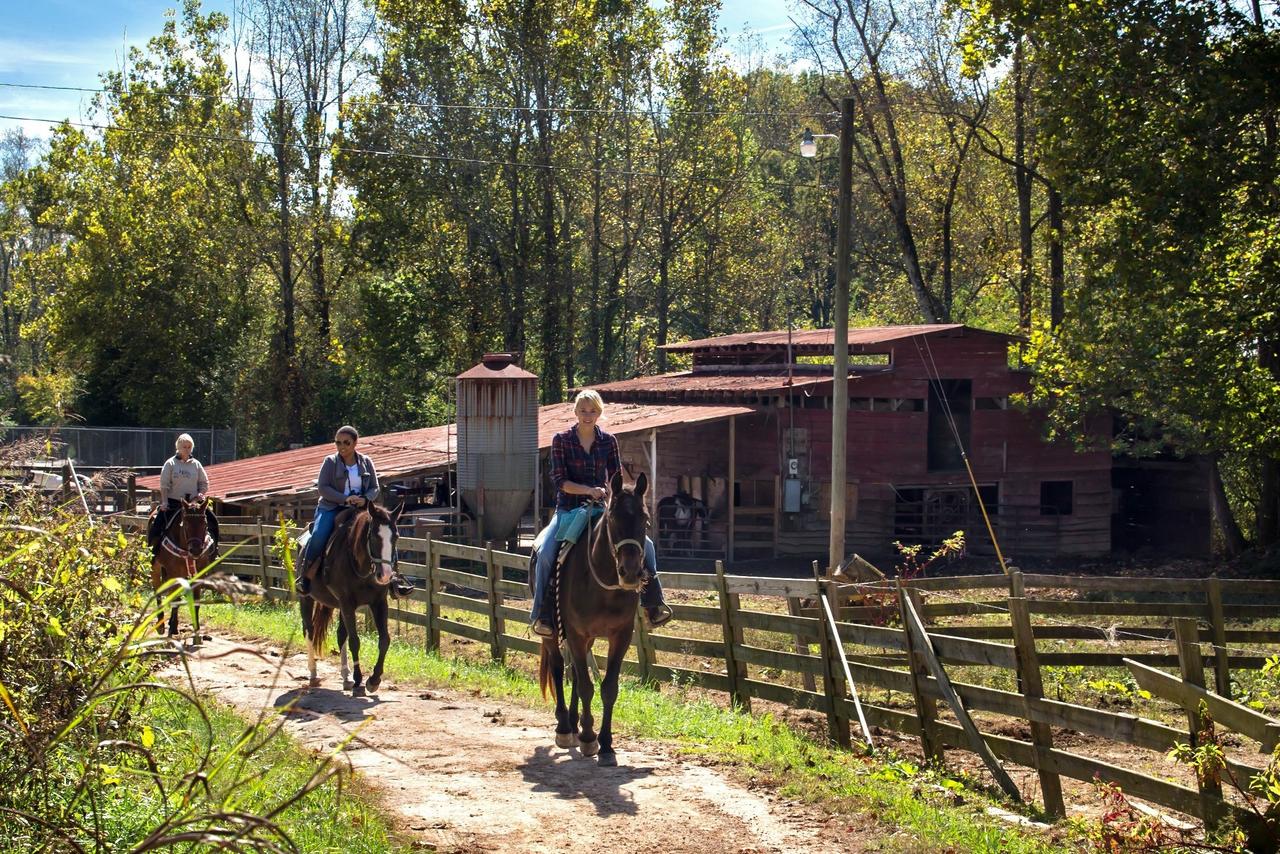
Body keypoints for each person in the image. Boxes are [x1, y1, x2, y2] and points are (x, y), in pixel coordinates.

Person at [530, 389, 672, 637]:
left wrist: (610, 495)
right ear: (575, 412)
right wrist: (588, 490)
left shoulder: (609, 441)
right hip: (568, 509)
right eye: (583, 410)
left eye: (592, 410)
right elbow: (559, 480)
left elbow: (615, 478)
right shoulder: (561, 440)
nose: (588, 415)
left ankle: (654, 603)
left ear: (599, 413)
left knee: (645, 545)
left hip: (600, 509)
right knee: (545, 551)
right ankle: (542, 612)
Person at [295, 426, 379, 596]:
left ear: (355, 442)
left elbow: (375, 487)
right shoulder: (330, 462)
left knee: (385, 530)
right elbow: (323, 488)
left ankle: (394, 577)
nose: (342, 446)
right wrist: (344, 499)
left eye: (346, 442)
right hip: (332, 507)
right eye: (338, 442)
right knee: (319, 533)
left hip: (360, 508)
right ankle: (306, 576)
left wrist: (366, 499)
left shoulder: (366, 461)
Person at [148, 433, 219, 556]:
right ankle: (152, 553)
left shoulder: (196, 464)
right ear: (178, 448)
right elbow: (164, 485)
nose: (187, 449)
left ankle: (215, 550)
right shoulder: (170, 464)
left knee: (213, 521)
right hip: (174, 502)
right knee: (157, 524)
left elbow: (204, 483)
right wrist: (164, 502)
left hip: (194, 504)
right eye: (184, 447)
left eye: (189, 447)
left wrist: (200, 494)